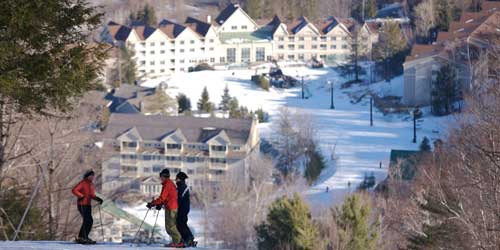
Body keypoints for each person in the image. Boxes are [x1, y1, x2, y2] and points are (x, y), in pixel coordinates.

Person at [147, 169, 183, 248]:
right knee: (168, 227)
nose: (160, 178)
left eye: (161, 176)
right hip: (169, 206)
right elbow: (166, 197)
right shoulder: (168, 183)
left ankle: (179, 242)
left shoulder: (167, 184)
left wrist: (152, 203)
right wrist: (160, 204)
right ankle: (175, 241)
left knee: (171, 226)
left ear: (163, 176)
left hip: (171, 207)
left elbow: (162, 197)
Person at [71, 170, 103, 244]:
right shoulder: (83, 183)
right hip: (82, 204)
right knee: (87, 220)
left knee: (89, 221)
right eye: (91, 176)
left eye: (93, 176)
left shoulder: (91, 184)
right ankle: (82, 237)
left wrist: (97, 199)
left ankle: (84, 236)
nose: (92, 177)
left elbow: (91, 195)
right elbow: (74, 190)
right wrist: (81, 196)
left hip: (88, 205)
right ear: (87, 176)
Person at [175, 172, 195, 247]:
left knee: (181, 224)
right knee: (180, 224)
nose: (175, 180)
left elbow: (179, 198)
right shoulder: (179, 187)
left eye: (177, 178)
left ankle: (189, 238)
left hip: (183, 209)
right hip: (181, 208)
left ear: (180, 179)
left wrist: (175, 205)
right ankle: (186, 238)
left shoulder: (182, 187)